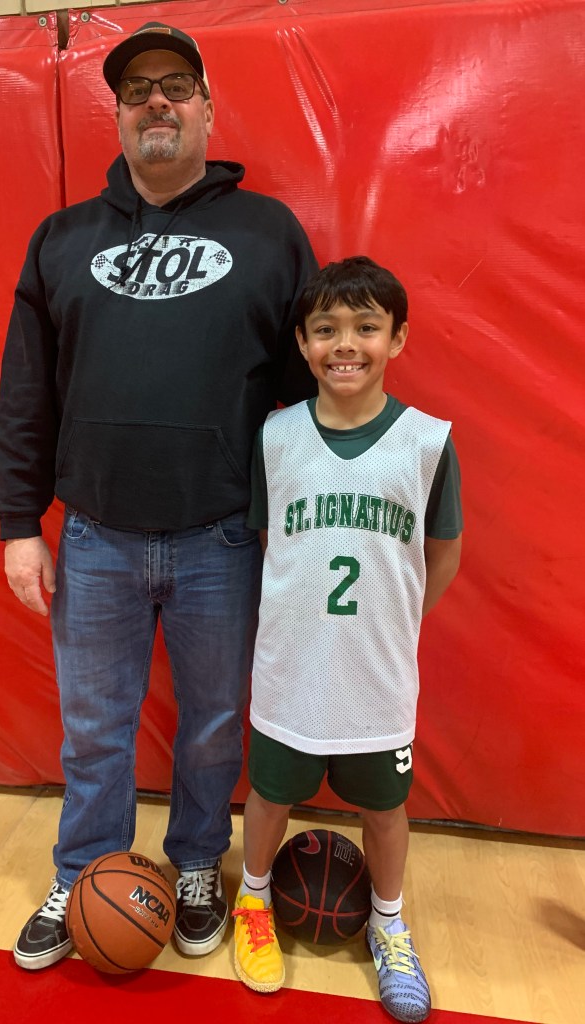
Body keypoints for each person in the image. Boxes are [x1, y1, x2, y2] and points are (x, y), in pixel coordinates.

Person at [0, 21, 317, 971]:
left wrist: (309, 520)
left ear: (208, 109)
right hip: (95, 537)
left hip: (223, 537)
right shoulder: (61, 239)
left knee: (213, 726)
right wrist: (19, 523)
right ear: (119, 116)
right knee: (93, 731)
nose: (156, 102)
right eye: (136, 90)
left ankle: (196, 863)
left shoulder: (269, 233)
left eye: (176, 84)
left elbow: (309, 393)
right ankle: (85, 871)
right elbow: (27, 391)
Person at [231, 256, 462, 1022]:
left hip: (377, 674)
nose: (345, 344)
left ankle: (388, 924)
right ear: (301, 343)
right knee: (270, 794)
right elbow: (267, 540)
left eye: (366, 327)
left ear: (397, 338)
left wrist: (399, 622)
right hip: (290, 667)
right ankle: (254, 902)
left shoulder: (426, 442)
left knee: (385, 810)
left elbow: (444, 551)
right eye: (325, 329)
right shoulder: (275, 436)